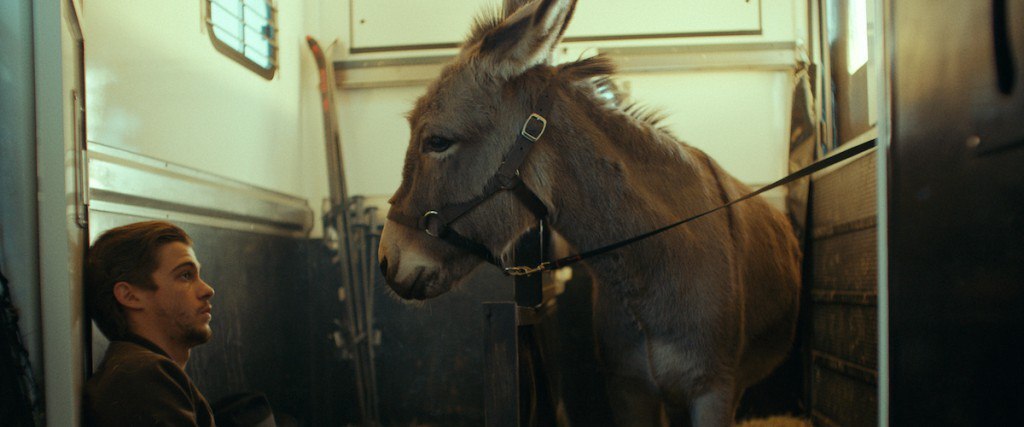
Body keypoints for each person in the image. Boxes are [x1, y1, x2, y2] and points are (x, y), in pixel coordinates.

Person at [83, 220, 216, 426]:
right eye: (185, 275)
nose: (207, 290)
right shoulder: (142, 377)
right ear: (130, 296)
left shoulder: (137, 369)